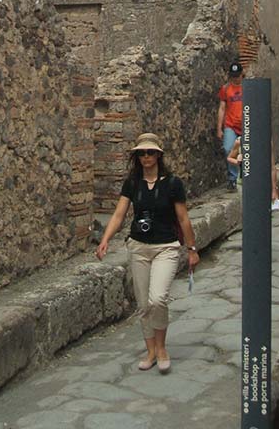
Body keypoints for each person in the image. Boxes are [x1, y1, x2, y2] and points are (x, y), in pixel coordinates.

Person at [95, 133, 198, 375]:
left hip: (166, 247)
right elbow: (120, 214)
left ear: (159, 155)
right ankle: (150, 351)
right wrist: (105, 239)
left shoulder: (173, 184)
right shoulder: (132, 183)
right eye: (141, 153)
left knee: (157, 299)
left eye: (150, 152)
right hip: (139, 247)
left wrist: (192, 249)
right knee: (143, 305)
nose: (145, 157)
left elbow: (183, 218)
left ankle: (162, 348)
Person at [216, 61, 244, 190]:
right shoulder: (226, 89)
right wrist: (219, 128)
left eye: (237, 76)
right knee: (228, 149)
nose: (236, 78)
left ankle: (245, 176)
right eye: (233, 76)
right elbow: (222, 108)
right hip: (230, 125)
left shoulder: (247, 87)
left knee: (247, 152)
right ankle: (232, 178)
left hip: (245, 124)